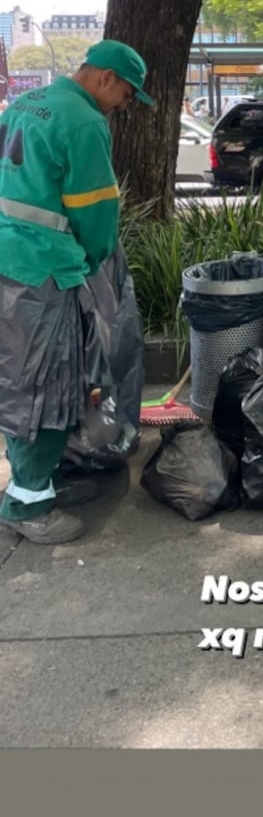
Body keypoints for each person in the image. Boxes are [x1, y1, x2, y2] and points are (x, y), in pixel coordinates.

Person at [0, 39, 155, 545]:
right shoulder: (85, 121)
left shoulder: (29, 102)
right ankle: (29, 505)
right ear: (106, 78)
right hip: (45, 267)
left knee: (16, 379)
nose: (125, 105)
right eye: (127, 94)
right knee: (45, 385)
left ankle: (34, 481)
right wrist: (97, 266)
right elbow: (95, 212)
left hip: (9, 260)